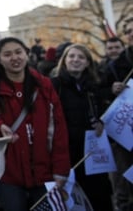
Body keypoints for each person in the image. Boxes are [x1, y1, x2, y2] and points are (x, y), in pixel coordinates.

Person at [0, 37, 70, 210]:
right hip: (7, 173)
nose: (14, 58)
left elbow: (58, 130)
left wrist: (61, 169)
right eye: (7, 54)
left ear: (26, 54)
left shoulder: (44, 85)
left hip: (44, 171)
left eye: (18, 52)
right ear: (0, 59)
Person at [50, 43, 113, 210]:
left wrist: (100, 123)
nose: (75, 60)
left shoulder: (93, 87)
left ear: (87, 63)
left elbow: (100, 112)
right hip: (67, 151)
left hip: (92, 151)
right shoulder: (54, 85)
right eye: (71, 56)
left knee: (100, 196)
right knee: (73, 199)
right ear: (64, 61)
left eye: (81, 57)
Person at [101, 17, 133, 211]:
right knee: (124, 178)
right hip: (125, 133)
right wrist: (110, 89)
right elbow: (98, 91)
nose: (132, 34)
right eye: (129, 31)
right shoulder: (114, 66)